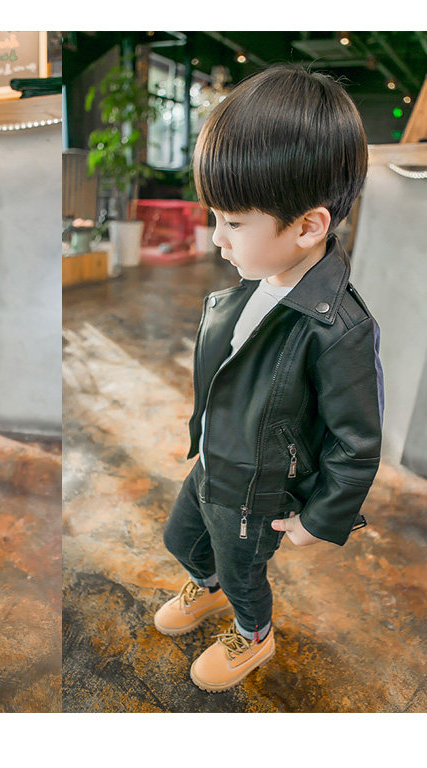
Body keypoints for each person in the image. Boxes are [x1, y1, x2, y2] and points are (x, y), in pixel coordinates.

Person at [154, 65, 384, 692]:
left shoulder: (339, 328)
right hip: (215, 462)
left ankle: (253, 632)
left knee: (244, 573)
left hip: (258, 490)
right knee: (182, 537)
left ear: (308, 226)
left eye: (233, 222)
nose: (216, 238)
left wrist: (322, 517)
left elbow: (357, 440)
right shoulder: (255, 285)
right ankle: (206, 586)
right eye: (215, 217)